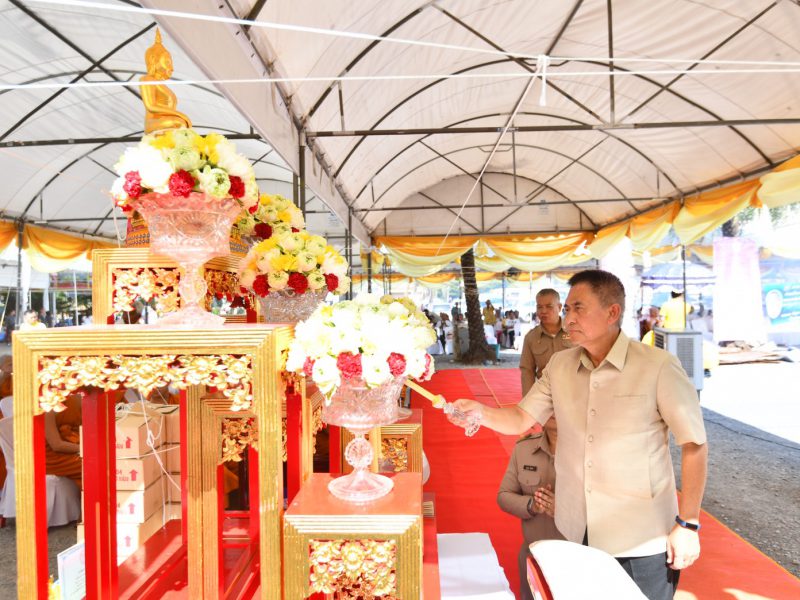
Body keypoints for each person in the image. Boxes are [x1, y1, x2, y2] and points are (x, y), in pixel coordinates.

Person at [452, 270, 708, 600]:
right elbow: (520, 418)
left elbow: (694, 445)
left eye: (578, 308)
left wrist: (687, 524)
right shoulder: (560, 365)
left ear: (612, 312)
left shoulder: (657, 366)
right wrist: (480, 412)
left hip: (641, 537)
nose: (568, 318)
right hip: (577, 530)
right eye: (568, 309)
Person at [497, 417, 564, 600]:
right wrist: (532, 505)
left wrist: (565, 510)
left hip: (575, 560)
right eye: (547, 403)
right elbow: (504, 496)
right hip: (533, 557)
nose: (552, 410)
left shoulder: (589, 454)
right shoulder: (524, 449)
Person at [519, 289, 571, 396]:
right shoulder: (531, 337)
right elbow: (527, 371)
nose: (543, 311)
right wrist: (527, 401)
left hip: (573, 391)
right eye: (539, 307)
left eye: (549, 306)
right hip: (545, 394)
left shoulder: (575, 331)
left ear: (560, 307)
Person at [140, 29, 192, 133]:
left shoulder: (161, 85)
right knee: (179, 123)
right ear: (154, 60)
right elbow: (151, 106)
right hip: (153, 122)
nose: (171, 67)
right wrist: (180, 114)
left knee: (180, 123)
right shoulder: (146, 80)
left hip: (167, 120)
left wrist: (180, 116)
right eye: (167, 62)